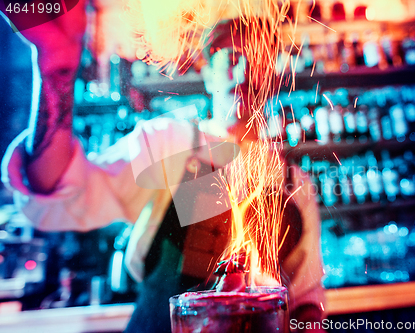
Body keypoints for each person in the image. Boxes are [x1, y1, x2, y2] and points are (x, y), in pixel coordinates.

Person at [1, 3, 326, 332]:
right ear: (207, 69)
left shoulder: (294, 182)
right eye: (230, 60)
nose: (242, 73)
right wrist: (56, 64)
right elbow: (59, 190)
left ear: (271, 72)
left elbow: (306, 299)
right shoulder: (173, 143)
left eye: (254, 60)